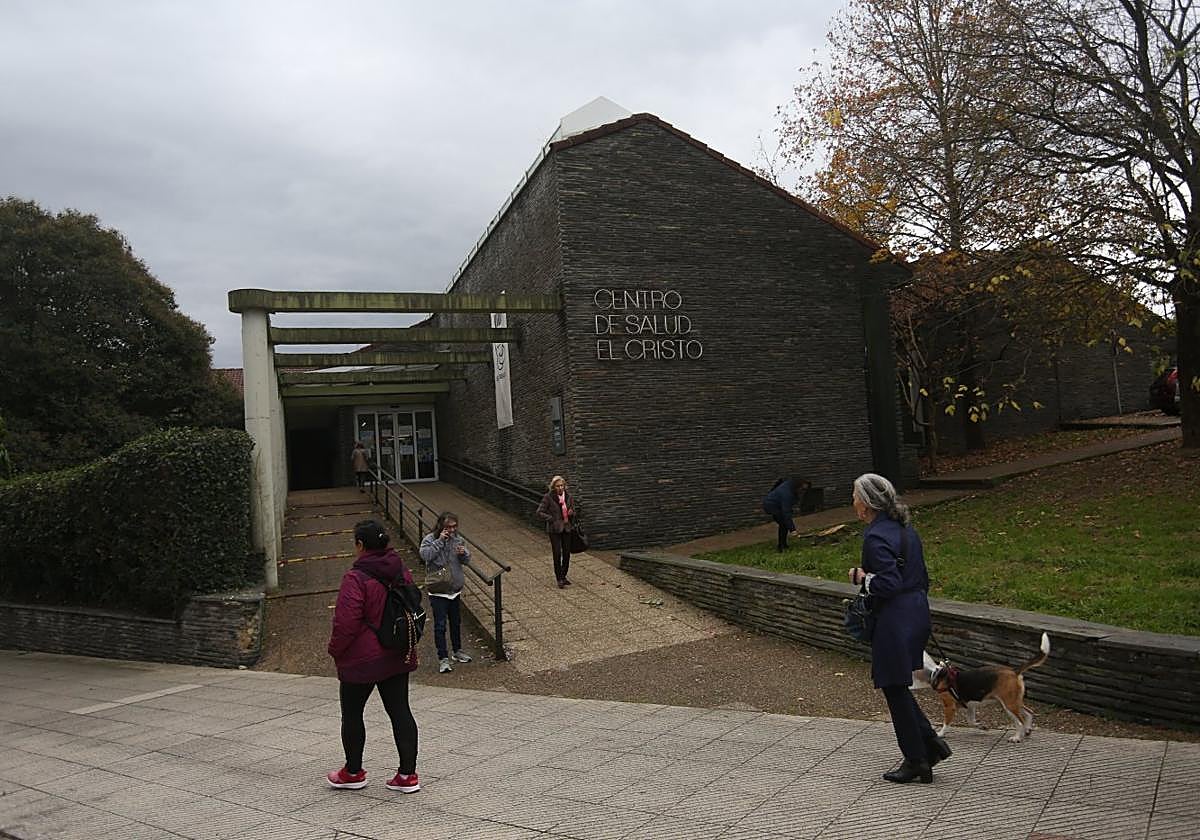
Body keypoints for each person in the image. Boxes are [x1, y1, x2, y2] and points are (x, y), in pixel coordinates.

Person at [847, 473, 951, 784]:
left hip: (894, 619)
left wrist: (862, 578)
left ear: (867, 504)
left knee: (893, 685)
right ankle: (930, 747)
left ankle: (917, 759)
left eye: (855, 496)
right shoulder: (907, 531)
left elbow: (888, 583)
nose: (853, 502)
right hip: (917, 611)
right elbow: (922, 576)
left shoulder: (875, 537)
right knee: (896, 686)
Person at [326, 520, 420, 793]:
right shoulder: (400, 570)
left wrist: (335, 650)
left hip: (362, 659)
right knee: (400, 711)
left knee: (353, 714)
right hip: (397, 651)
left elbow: (346, 622)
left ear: (360, 545)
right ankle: (407, 775)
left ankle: (353, 772)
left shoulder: (356, 578)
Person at [419, 511, 473, 674]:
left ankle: (457, 651)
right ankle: (443, 658)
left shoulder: (458, 540)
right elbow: (426, 556)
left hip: (454, 590)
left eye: (454, 526)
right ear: (441, 526)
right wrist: (440, 542)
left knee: (455, 622)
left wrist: (464, 553)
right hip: (438, 590)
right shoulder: (430, 539)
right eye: (448, 527)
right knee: (440, 625)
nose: (452, 530)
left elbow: (466, 561)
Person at [536, 474, 577, 589]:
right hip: (554, 529)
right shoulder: (548, 497)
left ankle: (563, 576)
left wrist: (572, 513)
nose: (560, 488)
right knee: (557, 553)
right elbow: (539, 512)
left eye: (562, 485)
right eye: (558, 486)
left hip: (567, 528)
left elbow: (574, 510)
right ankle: (559, 578)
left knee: (567, 553)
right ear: (553, 487)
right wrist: (551, 519)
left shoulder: (569, 497)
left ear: (565, 486)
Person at [763, 477, 810, 551]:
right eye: (802, 489)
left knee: (784, 524)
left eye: (805, 490)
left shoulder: (791, 486)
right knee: (783, 524)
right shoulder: (787, 494)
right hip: (771, 506)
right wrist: (792, 530)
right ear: (797, 486)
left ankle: (783, 544)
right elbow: (786, 512)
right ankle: (781, 546)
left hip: (778, 504)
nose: (803, 491)